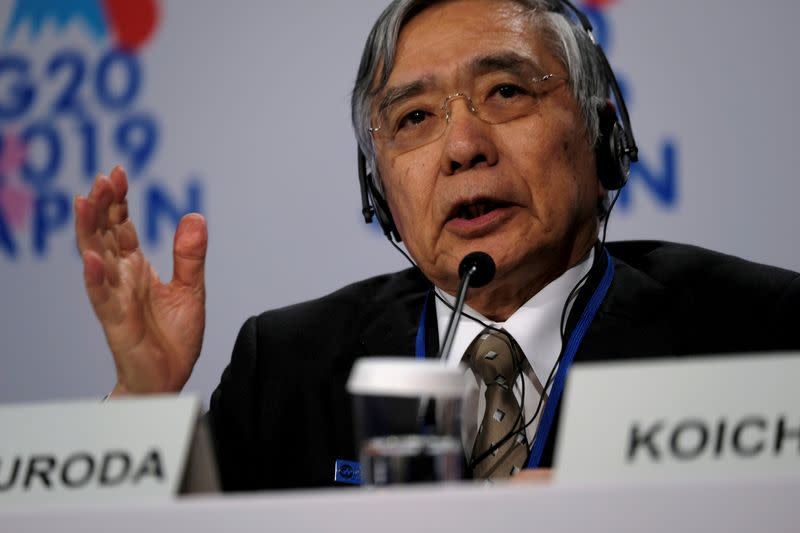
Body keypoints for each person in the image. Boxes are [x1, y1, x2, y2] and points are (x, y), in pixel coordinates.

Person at [73, 0, 800, 491]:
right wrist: (142, 396)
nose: (461, 146)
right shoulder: (289, 364)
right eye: (415, 117)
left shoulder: (757, 331)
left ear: (602, 133)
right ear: (378, 186)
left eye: (508, 93)